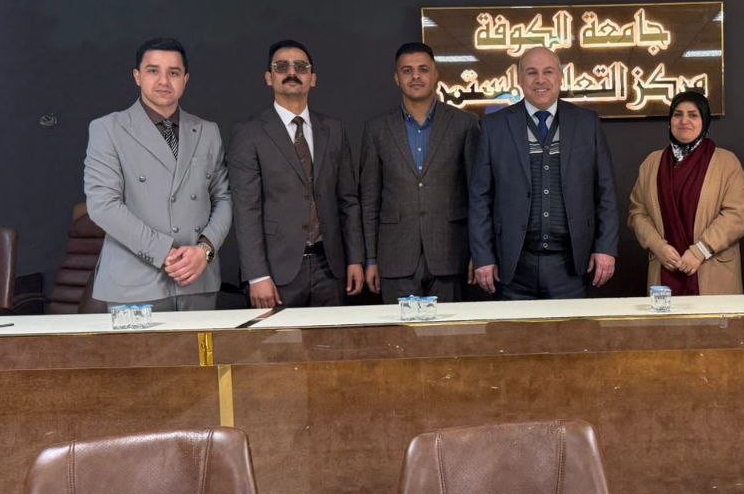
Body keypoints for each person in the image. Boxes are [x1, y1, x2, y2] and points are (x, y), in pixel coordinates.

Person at [84, 37, 231, 311]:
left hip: (197, 280)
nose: (164, 81)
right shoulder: (108, 129)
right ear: (137, 76)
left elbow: (224, 198)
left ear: (185, 79)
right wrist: (163, 252)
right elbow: (103, 205)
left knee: (200, 343)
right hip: (133, 285)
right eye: (153, 71)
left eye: (173, 73)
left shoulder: (208, 131)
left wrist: (205, 251)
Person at [469, 46, 618, 300]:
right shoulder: (494, 126)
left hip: (571, 266)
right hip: (513, 266)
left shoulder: (587, 122)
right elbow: (480, 198)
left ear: (560, 77)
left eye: (548, 71)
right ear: (519, 79)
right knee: (514, 328)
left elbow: (606, 192)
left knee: (570, 328)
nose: (540, 80)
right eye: (531, 72)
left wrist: (606, 247)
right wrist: (483, 256)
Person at [227, 40, 363, 308]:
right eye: (282, 67)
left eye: (300, 67)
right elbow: (246, 210)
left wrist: (355, 259)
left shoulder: (334, 130)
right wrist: (257, 275)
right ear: (269, 78)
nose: (292, 72)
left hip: (330, 267)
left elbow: (348, 200)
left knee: (332, 337)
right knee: (280, 338)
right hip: (276, 272)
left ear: (312, 78)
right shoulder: (249, 134)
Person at [360, 42, 479, 303]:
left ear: (435, 74)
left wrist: (478, 253)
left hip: (451, 254)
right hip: (395, 257)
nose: (416, 76)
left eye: (423, 69)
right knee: (401, 330)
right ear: (396, 78)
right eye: (407, 70)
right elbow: (369, 200)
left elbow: (477, 195)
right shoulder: (376, 129)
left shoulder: (465, 124)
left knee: (449, 329)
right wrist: (370, 258)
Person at [628, 91, 744, 295]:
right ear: (670, 121)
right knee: (666, 317)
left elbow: (736, 216)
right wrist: (658, 246)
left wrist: (700, 250)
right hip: (665, 268)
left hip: (711, 271)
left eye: (693, 115)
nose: (684, 121)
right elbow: (637, 213)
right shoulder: (652, 163)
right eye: (678, 115)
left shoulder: (727, 162)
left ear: (705, 121)